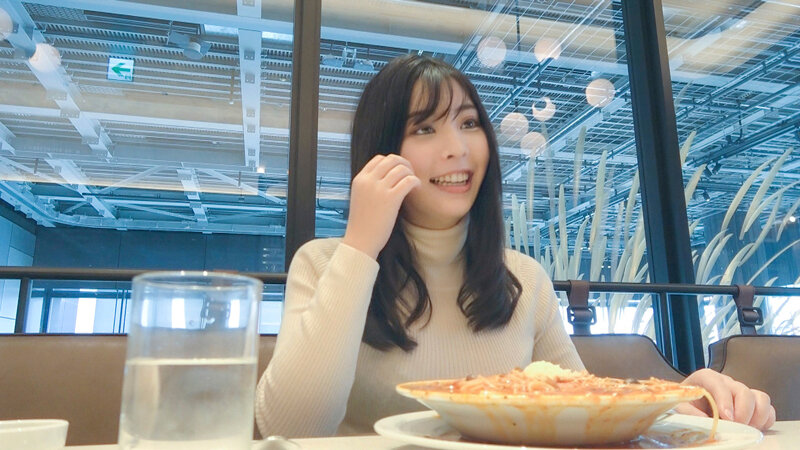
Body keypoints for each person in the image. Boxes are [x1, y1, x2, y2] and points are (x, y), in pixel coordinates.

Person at [255, 54, 775, 438]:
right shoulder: (325, 264)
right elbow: (291, 427)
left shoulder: (523, 279)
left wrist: (686, 398)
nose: (458, 148)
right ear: (382, 151)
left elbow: (583, 410)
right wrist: (360, 246)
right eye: (425, 128)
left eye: (469, 123)